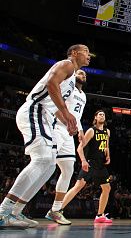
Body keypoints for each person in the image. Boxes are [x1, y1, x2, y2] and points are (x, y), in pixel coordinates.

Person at [0, 44, 90, 229]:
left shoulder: (72, 79)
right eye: (86, 52)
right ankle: (3, 212)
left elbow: (55, 106)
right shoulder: (67, 64)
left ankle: (16, 211)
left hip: (45, 116)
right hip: (35, 111)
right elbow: (51, 84)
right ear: (74, 53)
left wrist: (68, 121)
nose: (89, 56)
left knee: (49, 165)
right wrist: (66, 111)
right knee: (42, 159)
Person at [46, 69, 88, 225]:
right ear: (74, 74)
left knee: (68, 170)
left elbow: (78, 116)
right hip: (57, 127)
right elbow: (56, 106)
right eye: (80, 73)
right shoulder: (67, 86)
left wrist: (81, 131)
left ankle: (55, 211)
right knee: (45, 165)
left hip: (69, 133)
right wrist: (67, 123)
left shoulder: (83, 96)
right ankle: (15, 208)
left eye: (85, 75)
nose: (83, 76)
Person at [59, 110, 112, 223]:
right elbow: (79, 148)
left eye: (103, 114)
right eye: (100, 114)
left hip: (101, 165)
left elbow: (106, 146)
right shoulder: (91, 131)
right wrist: (83, 161)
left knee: (107, 188)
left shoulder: (107, 131)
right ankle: (58, 210)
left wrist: (108, 156)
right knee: (78, 186)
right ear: (95, 118)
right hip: (91, 163)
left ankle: (99, 215)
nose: (102, 116)